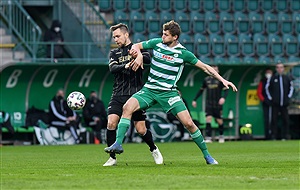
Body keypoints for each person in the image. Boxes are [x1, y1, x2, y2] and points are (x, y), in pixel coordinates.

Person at [105, 20, 238, 165]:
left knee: (189, 124)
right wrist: (139, 56)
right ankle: (118, 144)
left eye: (166, 35)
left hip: (169, 93)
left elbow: (205, 67)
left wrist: (222, 80)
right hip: (149, 89)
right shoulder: (157, 43)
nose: (162, 37)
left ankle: (207, 156)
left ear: (175, 37)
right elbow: (136, 45)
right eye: (162, 33)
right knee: (127, 107)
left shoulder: (183, 53)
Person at [103, 23, 163, 166]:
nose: (116, 39)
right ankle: (112, 158)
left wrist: (139, 56)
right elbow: (112, 68)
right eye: (114, 37)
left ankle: (154, 149)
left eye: (118, 36)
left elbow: (149, 59)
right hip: (118, 94)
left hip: (136, 95)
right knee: (111, 123)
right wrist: (126, 65)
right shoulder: (114, 53)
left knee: (141, 129)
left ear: (126, 34)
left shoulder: (137, 49)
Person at [192, 65, 229, 143]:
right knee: (208, 119)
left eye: (216, 70)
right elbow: (201, 90)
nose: (214, 71)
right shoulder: (206, 80)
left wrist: (223, 98)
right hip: (209, 104)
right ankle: (208, 138)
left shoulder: (220, 80)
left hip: (217, 104)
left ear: (218, 71)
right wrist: (194, 100)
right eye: (213, 70)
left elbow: (226, 90)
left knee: (219, 121)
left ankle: (221, 136)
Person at [265, 63, 294, 140]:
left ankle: (286, 135)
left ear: (283, 68)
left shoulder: (287, 78)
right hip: (275, 103)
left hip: (284, 104)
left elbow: (291, 88)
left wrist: (288, 98)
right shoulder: (273, 78)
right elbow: (267, 89)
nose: (279, 69)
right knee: (274, 120)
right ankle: (274, 136)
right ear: (276, 69)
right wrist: (271, 98)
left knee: (286, 120)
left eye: (281, 67)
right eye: (278, 67)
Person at [257, 67, 273, 140]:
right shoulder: (263, 81)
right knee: (267, 119)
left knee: (274, 119)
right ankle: (267, 135)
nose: (268, 74)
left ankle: (274, 134)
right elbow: (259, 92)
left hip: (275, 103)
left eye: (270, 72)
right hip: (266, 102)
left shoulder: (274, 80)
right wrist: (264, 100)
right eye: (267, 72)